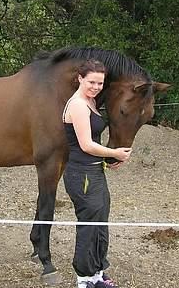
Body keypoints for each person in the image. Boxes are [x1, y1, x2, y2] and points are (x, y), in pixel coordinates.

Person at [62, 59, 132, 288]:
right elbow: (86, 145)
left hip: (94, 173)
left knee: (100, 223)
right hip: (81, 175)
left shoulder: (90, 101)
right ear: (80, 78)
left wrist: (108, 159)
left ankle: (98, 273)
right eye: (91, 81)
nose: (95, 86)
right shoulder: (78, 105)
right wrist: (114, 153)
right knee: (88, 225)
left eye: (100, 83)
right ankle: (84, 278)